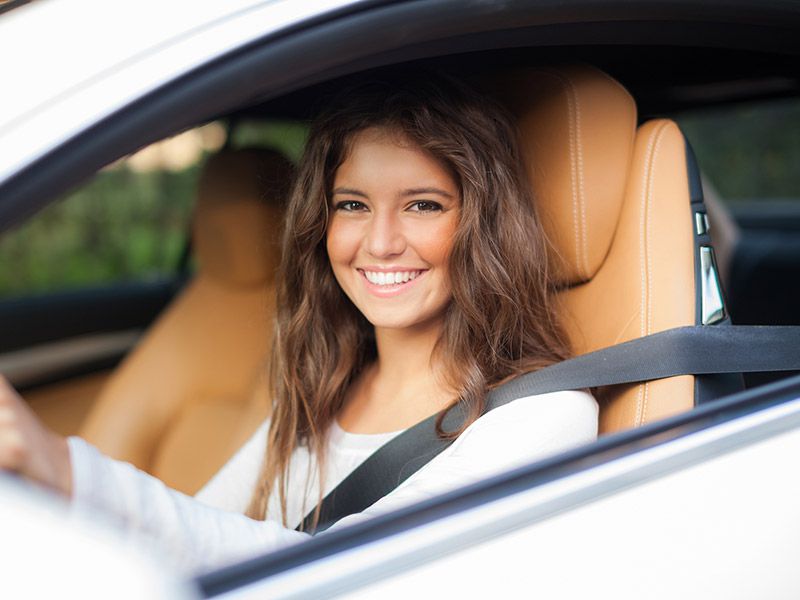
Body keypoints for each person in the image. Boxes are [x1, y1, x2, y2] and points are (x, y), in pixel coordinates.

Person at [0, 73, 598, 572]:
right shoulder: (324, 386)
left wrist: (69, 471)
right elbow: (199, 526)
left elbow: (337, 570)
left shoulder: (541, 415)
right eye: (353, 205)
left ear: (483, 226)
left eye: (423, 205)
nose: (381, 243)